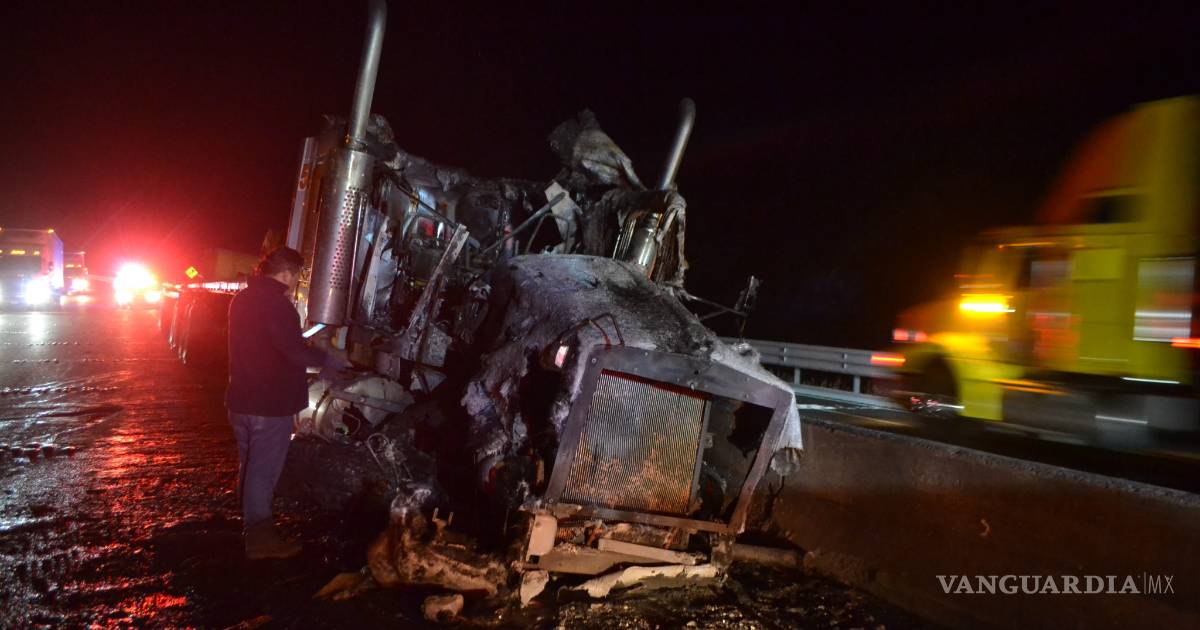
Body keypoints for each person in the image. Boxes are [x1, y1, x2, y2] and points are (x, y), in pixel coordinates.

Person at [226, 247, 342, 559]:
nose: (296, 282)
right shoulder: (277, 304)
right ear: (287, 273)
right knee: (263, 472)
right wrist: (327, 359)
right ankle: (261, 540)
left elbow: (269, 344)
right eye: (297, 275)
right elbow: (293, 352)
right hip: (269, 403)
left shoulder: (243, 299)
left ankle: (250, 526)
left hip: (241, 400)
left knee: (250, 465)